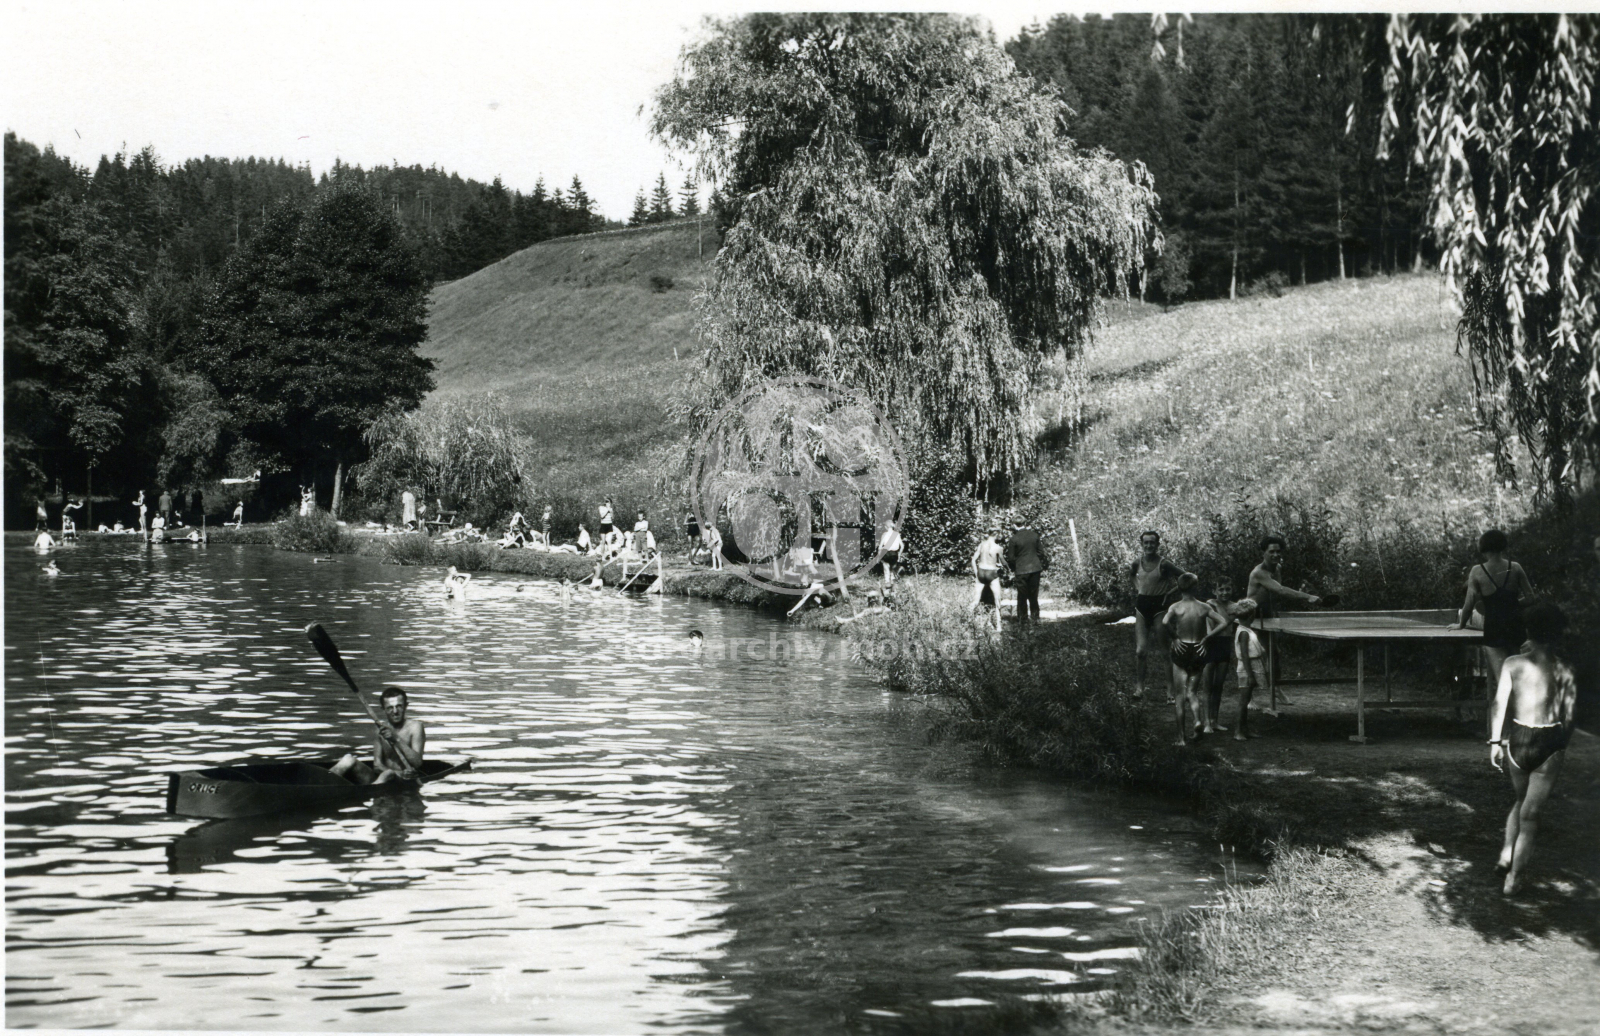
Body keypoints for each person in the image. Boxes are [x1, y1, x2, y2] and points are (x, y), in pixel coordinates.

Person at [1488, 600, 1577, 895]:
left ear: (1528, 631)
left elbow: (1499, 703)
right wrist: (1560, 747)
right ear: (1558, 634)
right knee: (1530, 815)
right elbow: (1568, 716)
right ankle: (1514, 877)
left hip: (1518, 739)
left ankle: (1505, 855)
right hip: (1548, 742)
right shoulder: (1565, 670)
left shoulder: (1513, 663)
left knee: (1520, 801)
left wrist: (1494, 741)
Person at [1449, 528, 1535, 692]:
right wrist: (1512, 605)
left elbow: (1469, 603)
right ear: (1503, 546)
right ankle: (1521, 714)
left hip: (1494, 628)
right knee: (1519, 679)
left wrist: (1461, 624)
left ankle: (1503, 715)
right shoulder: (1515, 567)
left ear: (1483, 547)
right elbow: (1531, 598)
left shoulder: (1477, 570)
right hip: (1516, 626)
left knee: (1502, 679)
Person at [1246, 533, 1322, 700]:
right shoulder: (1259, 572)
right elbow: (1280, 590)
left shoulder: (1277, 568)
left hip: (1267, 615)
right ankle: (1249, 698)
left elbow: (1276, 592)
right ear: (1263, 553)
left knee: (1274, 653)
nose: (1275, 555)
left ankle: (1275, 689)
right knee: (1254, 655)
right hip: (1251, 616)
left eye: (1278, 552)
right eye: (1271, 551)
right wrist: (1306, 596)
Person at [1164, 574, 1227, 745]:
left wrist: (1175, 638)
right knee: (1192, 692)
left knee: (1179, 696)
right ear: (1196, 588)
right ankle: (1198, 720)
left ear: (1179, 588)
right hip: (1199, 650)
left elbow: (1164, 622)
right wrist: (1207, 638)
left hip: (1182, 648)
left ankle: (1181, 737)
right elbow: (1223, 622)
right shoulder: (1203, 607)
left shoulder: (1176, 607)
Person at [1131, 531, 1186, 701]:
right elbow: (1132, 576)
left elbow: (1187, 577)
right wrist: (1138, 588)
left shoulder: (1164, 564)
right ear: (1142, 544)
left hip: (1159, 610)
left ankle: (1170, 690)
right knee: (1140, 651)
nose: (1149, 546)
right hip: (1141, 609)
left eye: (1152, 543)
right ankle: (1139, 687)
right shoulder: (1136, 563)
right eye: (1146, 543)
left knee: (1165, 652)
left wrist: (1170, 592)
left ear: (1157, 544)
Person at [330, 686, 426, 785]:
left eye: (399, 706)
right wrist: (396, 772)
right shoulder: (380, 729)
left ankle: (367, 794)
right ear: (383, 709)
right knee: (348, 759)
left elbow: (417, 763)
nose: (395, 711)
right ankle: (324, 781)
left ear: (406, 706)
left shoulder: (416, 727)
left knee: (388, 774)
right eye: (390, 708)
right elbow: (377, 765)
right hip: (382, 778)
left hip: (404, 780)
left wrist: (396, 739)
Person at [1199, 577, 1237, 733]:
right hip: (1210, 644)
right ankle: (1206, 722)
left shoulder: (1234, 606)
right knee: (1207, 685)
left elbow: (1229, 623)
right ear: (1214, 591)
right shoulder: (1210, 605)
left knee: (1219, 685)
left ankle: (1214, 720)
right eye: (1221, 589)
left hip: (1225, 644)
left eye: (1227, 589)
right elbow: (1218, 624)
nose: (1224, 592)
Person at [1232, 598, 1267, 740]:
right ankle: (1238, 731)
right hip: (1247, 668)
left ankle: (1244, 730)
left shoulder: (1247, 630)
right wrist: (1250, 675)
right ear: (1251, 615)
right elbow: (1245, 656)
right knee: (1243, 700)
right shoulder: (1244, 633)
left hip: (1252, 666)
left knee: (1246, 700)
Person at [1004, 517, 1050, 625]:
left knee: (1022, 596)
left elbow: (1011, 558)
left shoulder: (1014, 539)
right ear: (1025, 523)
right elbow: (1041, 553)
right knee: (1034, 595)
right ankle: (1035, 618)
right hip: (1035, 568)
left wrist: (1016, 565)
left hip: (1021, 569)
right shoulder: (1034, 535)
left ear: (1015, 525)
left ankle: (1023, 620)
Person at [970, 527, 1006, 631]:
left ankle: (968, 622)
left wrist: (976, 573)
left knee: (975, 600)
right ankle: (999, 626)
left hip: (981, 571)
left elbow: (973, 560)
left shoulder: (981, 545)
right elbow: (1003, 562)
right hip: (992, 572)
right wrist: (1006, 567)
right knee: (997, 600)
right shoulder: (998, 547)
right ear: (997, 535)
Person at [878, 519, 903, 592]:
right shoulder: (897, 534)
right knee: (893, 569)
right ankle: (893, 583)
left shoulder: (884, 534)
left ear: (886, 527)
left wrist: (879, 556)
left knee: (886, 568)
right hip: (894, 554)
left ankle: (887, 583)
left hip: (886, 553)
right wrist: (899, 554)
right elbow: (902, 546)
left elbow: (880, 547)